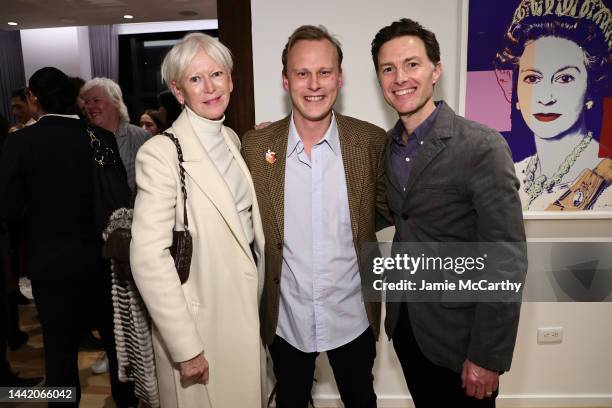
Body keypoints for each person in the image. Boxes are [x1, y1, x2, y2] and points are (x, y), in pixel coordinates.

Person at [371, 19, 527, 406]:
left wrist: (487, 356)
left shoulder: (480, 146)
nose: (399, 77)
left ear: (435, 70)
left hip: (461, 341)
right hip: (407, 329)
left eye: (412, 64)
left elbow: (506, 260)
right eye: (388, 68)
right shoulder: (387, 148)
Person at [242, 25, 390, 408]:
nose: (314, 84)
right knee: (290, 400)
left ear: (340, 78)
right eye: (302, 73)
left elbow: (392, 209)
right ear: (285, 79)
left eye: (324, 72)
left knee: (361, 399)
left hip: (353, 315)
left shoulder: (371, 142)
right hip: (286, 318)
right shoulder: (256, 147)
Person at [130, 33, 266, 408]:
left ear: (231, 80)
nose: (209, 87)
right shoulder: (160, 154)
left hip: (242, 314)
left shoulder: (231, 139)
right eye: (195, 79)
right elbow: (147, 258)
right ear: (178, 91)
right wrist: (186, 347)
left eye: (217, 74)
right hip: (202, 327)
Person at [0, 67, 136, 407]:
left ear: (34, 98)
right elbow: (121, 199)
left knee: (59, 354)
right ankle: (127, 402)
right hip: (103, 262)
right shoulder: (98, 138)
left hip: (51, 264)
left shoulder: (19, 142)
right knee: (117, 344)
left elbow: (7, 208)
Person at [495, 0, 612, 210]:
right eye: (532, 79)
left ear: (590, 91)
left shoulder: (607, 184)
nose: (546, 97)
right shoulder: (508, 176)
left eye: (564, 78)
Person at [80, 77, 150, 194]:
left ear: (116, 102)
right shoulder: (83, 138)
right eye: (87, 102)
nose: (90, 107)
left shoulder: (140, 137)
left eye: (96, 100)